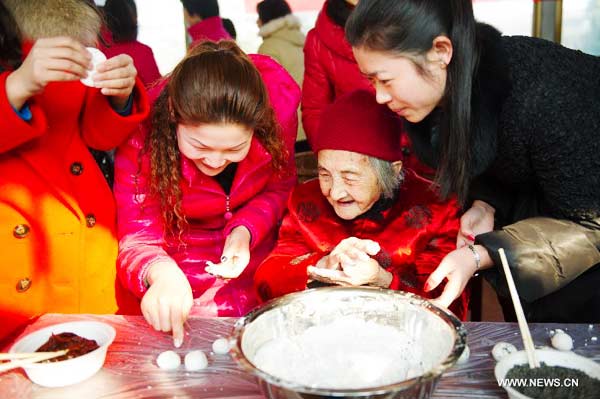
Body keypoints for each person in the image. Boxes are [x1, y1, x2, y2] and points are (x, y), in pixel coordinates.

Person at [346, 0, 600, 322]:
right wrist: (484, 204)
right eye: (371, 82)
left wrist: (480, 255)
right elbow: (502, 162)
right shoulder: (446, 95)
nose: (380, 97)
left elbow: (591, 224)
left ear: (440, 51)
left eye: (385, 79)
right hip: (543, 231)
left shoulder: (545, 98)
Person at [115, 40, 300, 347]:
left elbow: (280, 186)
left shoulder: (278, 117)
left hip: (258, 258)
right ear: (174, 115)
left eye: (234, 148)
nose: (215, 161)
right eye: (200, 147)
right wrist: (161, 274)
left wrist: (245, 230)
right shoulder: (143, 139)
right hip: (181, 263)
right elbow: (138, 235)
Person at [0, 0, 149, 342]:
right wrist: (16, 87)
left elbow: (94, 134)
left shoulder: (74, 14)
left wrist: (119, 95)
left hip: (85, 227)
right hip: (16, 240)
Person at [254, 90, 468, 320]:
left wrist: (383, 280)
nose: (334, 192)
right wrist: (320, 264)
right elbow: (267, 280)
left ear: (392, 171)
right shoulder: (306, 200)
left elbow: (448, 305)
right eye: (325, 174)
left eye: (350, 177)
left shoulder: (436, 207)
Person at [301, 0, 430, 177]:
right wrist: (343, 162)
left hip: (425, 154)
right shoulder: (319, 40)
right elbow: (315, 112)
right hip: (363, 167)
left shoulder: (415, 17)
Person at [257, 0, 306, 145]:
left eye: (259, 16)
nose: (257, 22)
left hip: (289, 128)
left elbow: (268, 94)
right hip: (310, 124)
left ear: (267, 18)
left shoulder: (269, 47)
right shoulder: (302, 41)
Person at [101, 0, 161, 88]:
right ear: (134, 17)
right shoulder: (143, 52)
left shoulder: (95, 49)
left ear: (104, 17)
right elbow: (157, 93)